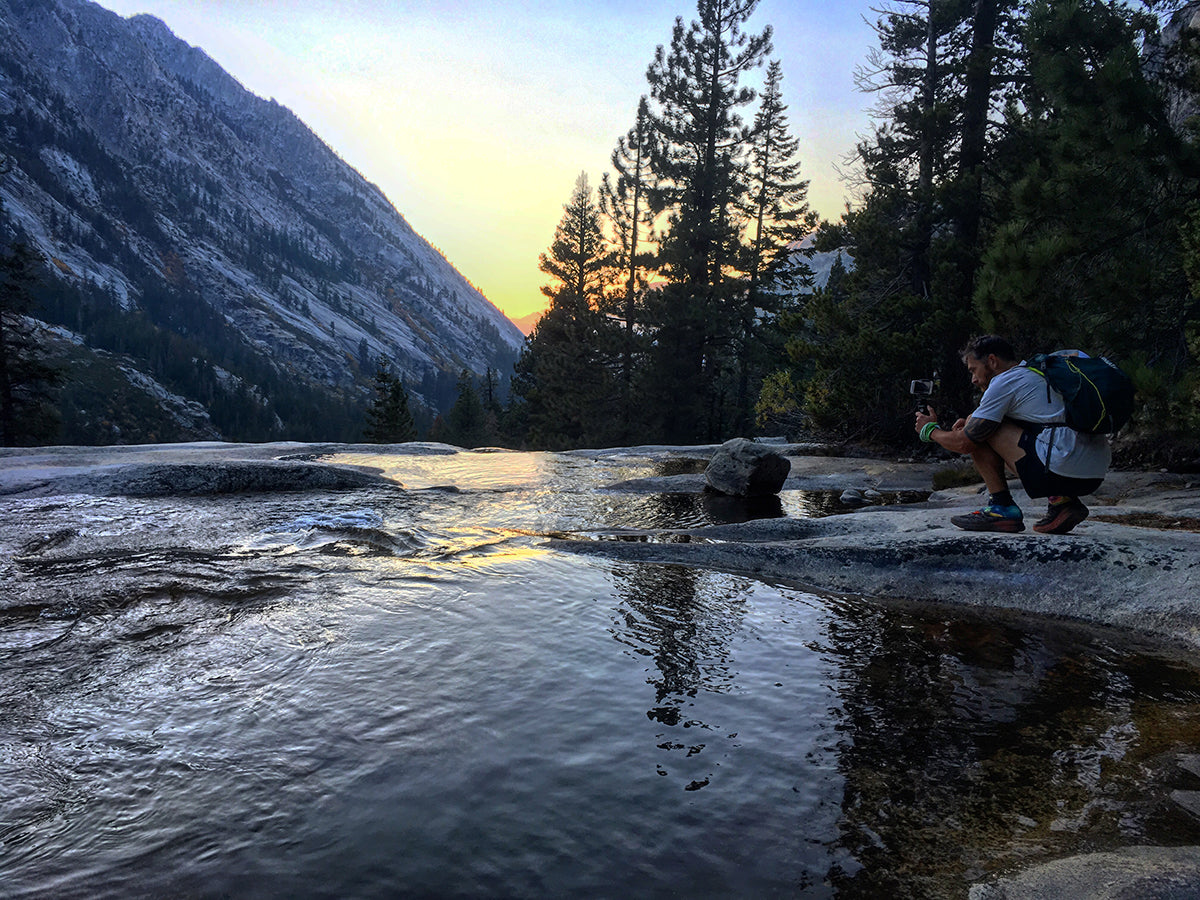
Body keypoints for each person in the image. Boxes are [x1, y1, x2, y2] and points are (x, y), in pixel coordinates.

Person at [914, 335, 1111, 534]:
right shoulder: (1038, 373)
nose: (974, 379)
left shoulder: (1005, 381)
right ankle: (1062, 502)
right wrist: (974, 419)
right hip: (1095, 473)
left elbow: (964, 443)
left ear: (992, 361)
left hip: (1062, 469)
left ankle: (1002, 508)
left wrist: (929, 430)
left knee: (981, 432)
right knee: (983, 424)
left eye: (974, 370)